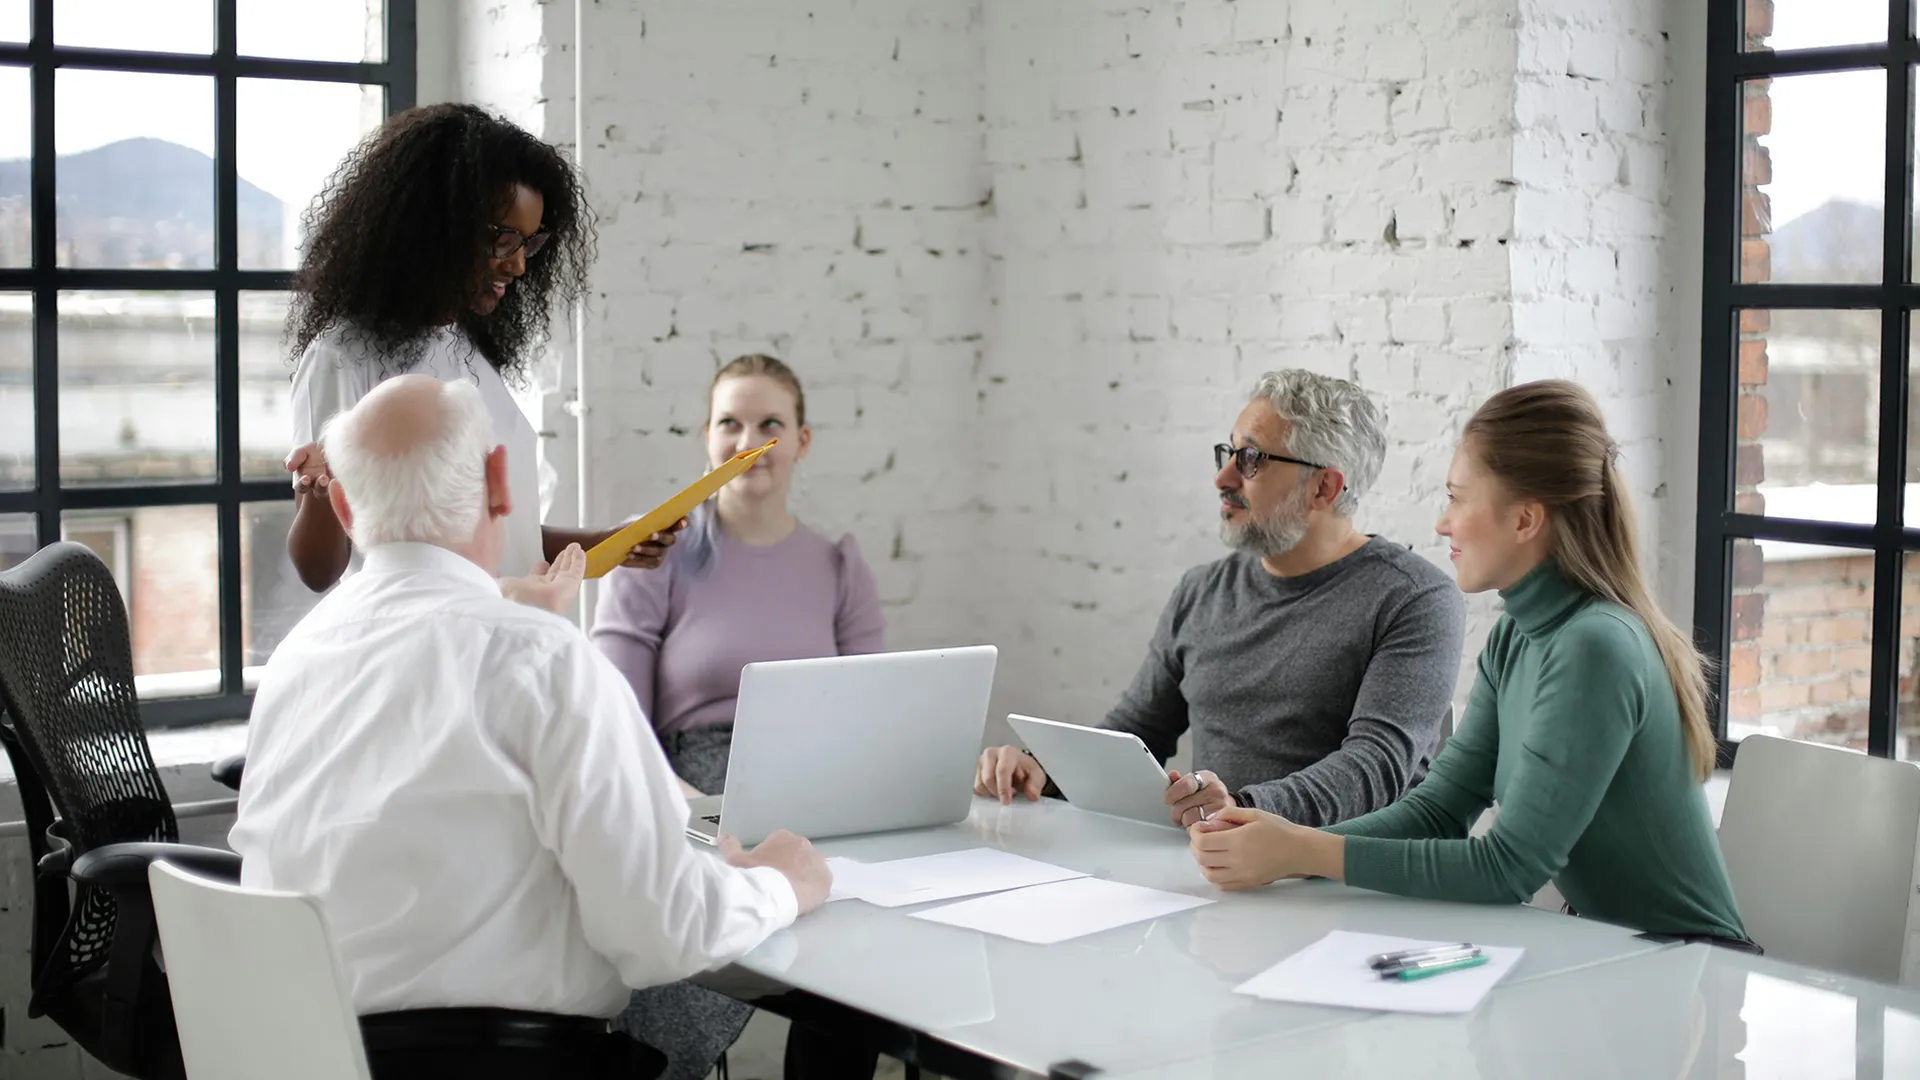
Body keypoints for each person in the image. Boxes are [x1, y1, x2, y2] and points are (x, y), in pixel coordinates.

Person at [231, 375, 832, 1080]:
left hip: (302, 1058)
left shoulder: (294, 661)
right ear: (499, 482)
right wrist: (783, 884)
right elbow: (666, 934)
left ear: (342, 505)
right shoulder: (540, 659)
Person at [1188, 380, 1751, 948]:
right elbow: (1438, 810)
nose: (1442, 523)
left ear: (1525, 520)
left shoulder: (1595, 646)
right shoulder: (1516, 635)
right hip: (1608, 954)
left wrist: (1301, 851)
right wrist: (1285, 846)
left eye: (1457, 498)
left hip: (1695, 965)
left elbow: (1507, 869)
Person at [975, 369, 1466, 829]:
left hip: (1343, 878)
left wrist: (1243, 809)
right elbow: (1139, 731)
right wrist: (1043, 768)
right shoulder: (1202, 590)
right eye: (1228, 453)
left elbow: (1377, 767)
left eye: (1251, 459)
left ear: (1324, 487)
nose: (1223, 478)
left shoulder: (1414, 600)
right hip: (1216, 864)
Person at [591, 354, 885, 1080]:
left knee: (863, 934)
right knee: (694, 917)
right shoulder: (656, 553)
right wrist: (700, 815)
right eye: (730, 423)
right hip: (688, 793)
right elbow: (617, 729)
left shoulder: (838, 565)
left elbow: (870, 724)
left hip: (813, 796)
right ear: (707, 436)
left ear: (802, 442)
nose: (748, 441)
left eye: (769, 424)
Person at [280, 102, 680, 596]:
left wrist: (613, 542)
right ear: (433, 225)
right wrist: (319, 494)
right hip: (434, 633)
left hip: (506, 626)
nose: (518, 266)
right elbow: (319, 571)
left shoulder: (465, 346)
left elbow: (503, 537)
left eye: (529, 244)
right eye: (503, 240)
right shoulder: (342, 358)